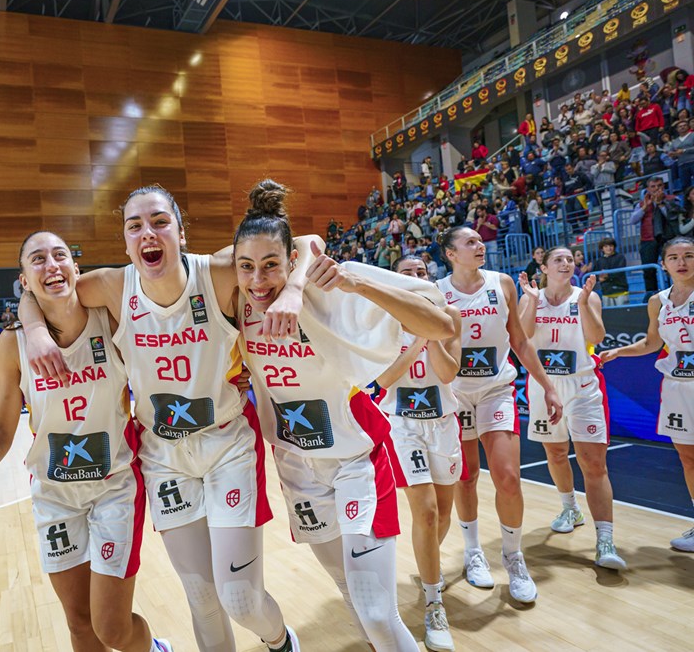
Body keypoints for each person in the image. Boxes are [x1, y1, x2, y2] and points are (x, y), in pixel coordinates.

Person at [19, 185, 318, 652]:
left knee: (239, 598)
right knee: (201, 598)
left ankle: (280, 641)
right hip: (163, 457)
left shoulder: (217, 272)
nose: (147, 233)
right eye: (134, 226)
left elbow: (304, 243)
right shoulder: (112, 286)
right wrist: (35, 328)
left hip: (226, 444)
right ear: (125, 242)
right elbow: (44, 289)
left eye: (159, 222)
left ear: (181, 232)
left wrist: (294, 288)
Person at [0, 231, 171, 652]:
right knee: (80, 625)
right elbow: (0, 431)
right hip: (55, 494)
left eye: (60, 255)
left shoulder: (111, 320)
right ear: (24, 280)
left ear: (76, 269)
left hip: (114, 487)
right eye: (37, 259)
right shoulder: (13, 343)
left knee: (112, 628)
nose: (51, 265)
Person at [234, 182, 452, 652]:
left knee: (376, 611)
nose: (257, 280)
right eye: (246, 266)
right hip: (297, 468)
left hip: (356, 459)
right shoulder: (235, 298)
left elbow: (442, 324)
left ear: (293, 261)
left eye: (271, 265)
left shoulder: (331, 284)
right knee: (351, 597)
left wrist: (350, 284)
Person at [436, 226, 563, 603]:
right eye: (470, 242)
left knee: (508, 477)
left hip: (496, 389)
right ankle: (473, 552)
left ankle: (513, 557)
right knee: (466, 477)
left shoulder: (502, 283)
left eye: (480, 240)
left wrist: (548, 386)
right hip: (455, 393)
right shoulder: (437, 291)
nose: (480, 245)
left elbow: (520, 340)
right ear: (451, 254)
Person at [517, 249, 626, 570]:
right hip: (544, 385)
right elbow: (522, 337)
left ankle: (605, 540)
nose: (566, 264)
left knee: (594, 463)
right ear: (543, 268)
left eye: (569, 260)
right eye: (558, 260)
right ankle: (570, 508)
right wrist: (532, 301)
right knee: (555, 453)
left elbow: (597, 336)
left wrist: (584, 305)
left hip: (582, 385)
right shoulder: (530, 298)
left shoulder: (586, 297)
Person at [377, 256, 463, 651]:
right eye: (406, 273)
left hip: (442, 422)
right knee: (425, 512)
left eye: (421, 273)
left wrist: (433, 335)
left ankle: (428, 566)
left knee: (443, 514)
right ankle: (433, 603)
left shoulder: (450, 317)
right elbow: (382, 379)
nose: (415, 277)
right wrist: (415, 344)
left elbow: (447, 374)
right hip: (403, 424)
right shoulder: (382, 319)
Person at [601, 237, 694, 551]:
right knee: (688, 458)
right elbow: (652, 343)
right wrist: (619, 351)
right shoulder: (658, 301)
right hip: (677, 386)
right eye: (674, 257)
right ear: (664, 264)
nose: (682, 262)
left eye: (689, 255)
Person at [631, 176, 682, 299]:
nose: (656, 189)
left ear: (663, 186)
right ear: (648, 189)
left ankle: (678, 293)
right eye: (653, 186)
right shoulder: (641, 204)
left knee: (673, 267)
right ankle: (651, 296)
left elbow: (673, 217)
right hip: (648, 240)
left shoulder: (672, 200)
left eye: (659, 185)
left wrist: (660, 205)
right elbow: (633, 220)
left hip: (668, 239)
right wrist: (645, 207)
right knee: (648, 271)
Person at [591, 238, 629, 306]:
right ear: (602, 248)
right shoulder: (599, 261)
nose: (609, 248)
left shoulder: (620, 257)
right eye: (606, 246)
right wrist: (599, 278)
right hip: (606, 292)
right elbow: (595, 274)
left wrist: (607, 276)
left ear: (614, 246)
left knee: (624, 312)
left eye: (611, 245)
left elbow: (620, 272)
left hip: (621, 291)